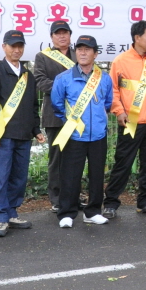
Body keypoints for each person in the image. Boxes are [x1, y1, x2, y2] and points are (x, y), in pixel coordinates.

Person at [0, 30, 44, 237]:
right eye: (13, 46)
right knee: (0, 176)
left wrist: (36, 130)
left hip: (24, 135)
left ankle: (12, 212)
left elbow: (33, 106)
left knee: (19, 176)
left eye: (20, 46)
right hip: (2, 136)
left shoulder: (28, 75)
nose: (17, 50)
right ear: (4, 46)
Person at [103, 20, 146, 217]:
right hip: (130, 121)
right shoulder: (120, 61)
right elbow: (113, 90)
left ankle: (145, 201)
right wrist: (119, 111)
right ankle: (111, 203)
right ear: (137, 37)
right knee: (123, 162)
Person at [51, 35, 115, 228]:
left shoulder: (104, 78)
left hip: (98, 135)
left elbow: (108, 103)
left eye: (88, 49)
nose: (83, 52)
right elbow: (57, 105)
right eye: (79, 49)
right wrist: (71, 123)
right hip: (74, 134)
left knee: (97, 174)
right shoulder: (63, 78)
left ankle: (93, 211)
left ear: (95, 54)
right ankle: (67, 213)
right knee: (70, 174)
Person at [33, 19, 74, 211]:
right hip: (55, 115)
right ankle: (56, 198)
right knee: (57, 159)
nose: (62, 36)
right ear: (51, 37)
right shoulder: (43, 57)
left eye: (65, 32)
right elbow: (41, 81)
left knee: (75, 158)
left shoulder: (79, 54)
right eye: (58, 33)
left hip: (79, 116)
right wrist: (68, 90)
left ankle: (73, 195)